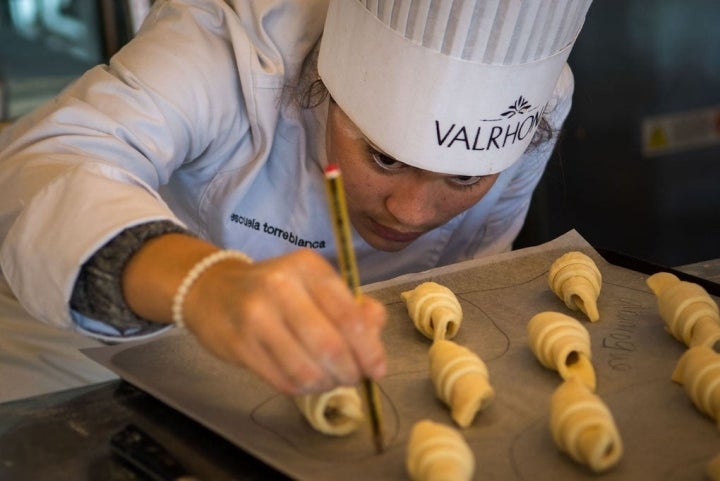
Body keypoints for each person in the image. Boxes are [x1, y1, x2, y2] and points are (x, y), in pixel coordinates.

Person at [0, 0, 593, 402]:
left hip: (342, 379)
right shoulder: (226, 47)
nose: (411, 213)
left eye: (463, 179)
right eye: (382, 158)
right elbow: (45, 168)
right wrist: (203, 284)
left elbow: (476, 278)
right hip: (83, 361)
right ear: (322, 88)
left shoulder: (538, 101)